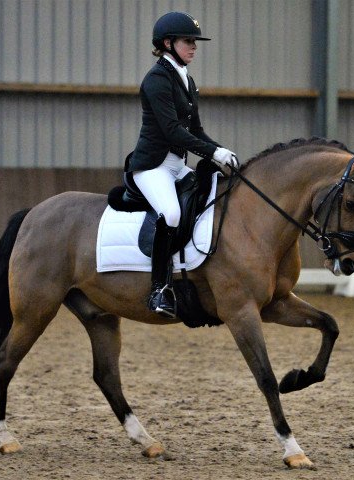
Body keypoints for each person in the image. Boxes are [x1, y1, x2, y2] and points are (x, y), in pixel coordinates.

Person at [126, 11, 237, 319]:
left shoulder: (186, 78)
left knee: (208, 197)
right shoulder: (156, 79)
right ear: (168, 43)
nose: (194, 47)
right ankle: (159, 289)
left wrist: (220, 150)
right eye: (188, 41)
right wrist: (212, 154)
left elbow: (196, 130)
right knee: (171, 213)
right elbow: (172, 130)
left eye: (194, 42)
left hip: (177, 165)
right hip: (152, 167)